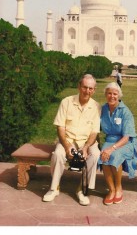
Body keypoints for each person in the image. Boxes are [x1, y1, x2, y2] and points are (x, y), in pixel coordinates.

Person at [43, 74, 101, 206]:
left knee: (95, 154)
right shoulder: (66, 102)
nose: (87, 91)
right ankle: (54, 188)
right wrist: (67, 145)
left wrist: (86, 147)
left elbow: (94, 132)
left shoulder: (97, 106)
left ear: (94, 90)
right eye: (85, 87)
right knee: (58, 154)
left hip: (87, 141)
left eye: (90, 88)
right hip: (67, 140)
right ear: (79, 87)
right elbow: (60, 126)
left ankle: (82, 189)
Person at [97, 82, 137, 205]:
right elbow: (95, 126)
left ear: (119, 95)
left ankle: (119, 187)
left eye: (115, 94)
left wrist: (112, 149)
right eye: (109, 93)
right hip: (110, 139)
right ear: (105, 94)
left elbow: (127, 137)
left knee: (114, 156)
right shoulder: (103, 109)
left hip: (125, 142)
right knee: (103, 156)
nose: (112, 96)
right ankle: (111, 190)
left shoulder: (125, 112)